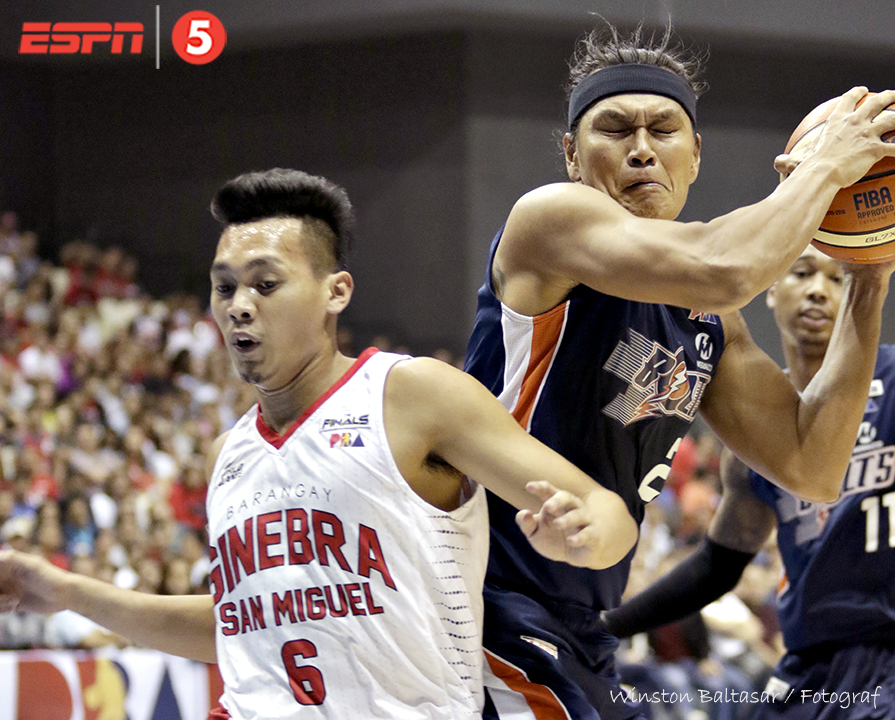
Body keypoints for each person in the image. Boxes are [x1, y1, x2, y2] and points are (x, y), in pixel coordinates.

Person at [0, 168, 638, 720]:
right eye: (225, 287)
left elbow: (607, 513)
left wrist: (583, 535)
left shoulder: (410, 394)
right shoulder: (230, 454)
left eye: (265, 284)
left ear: (336, 291)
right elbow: (241, 626)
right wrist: (67, 593)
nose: (239, 306)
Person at [463, 21, 895, 720]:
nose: (639, 150)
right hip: (483, 605)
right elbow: (723, 266)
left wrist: (869, 279)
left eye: (662, 131)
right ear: (572, 154)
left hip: (578, 627)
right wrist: (825, 169)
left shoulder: (707, 321)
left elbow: (812, 464)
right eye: (614, 130)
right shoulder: (550, 220)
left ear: (694, 156)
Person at [604, 241, 895, 718]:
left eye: (837, 278)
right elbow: (717, 566)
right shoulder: (762, 432)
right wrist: (608, 624)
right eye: (802, 274)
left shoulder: (894, 377)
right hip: (811, 665)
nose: (819, 291)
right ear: (773, 290)